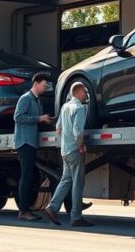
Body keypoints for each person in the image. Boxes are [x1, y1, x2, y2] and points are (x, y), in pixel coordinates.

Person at [43, 81, 94, 227]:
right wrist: (81, 145)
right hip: (74, 150)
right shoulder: (79, 108)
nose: (86, 94)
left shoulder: (65, 107)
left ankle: (52, 207)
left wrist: (65, 142)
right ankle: (76, 217)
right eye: (84, 92)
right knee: (78, 183)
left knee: (66, 180)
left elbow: (58, 128)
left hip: (65, 150)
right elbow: (78, 131)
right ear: (77, 92)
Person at [14, 72, 53, 222]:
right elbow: (17, 117)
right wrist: (39, 118)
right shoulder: (25, 99)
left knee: (32, 176)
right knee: (26, 177)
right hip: (24, 143)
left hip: (32, 142)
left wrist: (45, 120)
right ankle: (23, 211)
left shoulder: (37, 101)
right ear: (36, 83)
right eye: (44, 85)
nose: (45, 88)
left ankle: (27, 208)